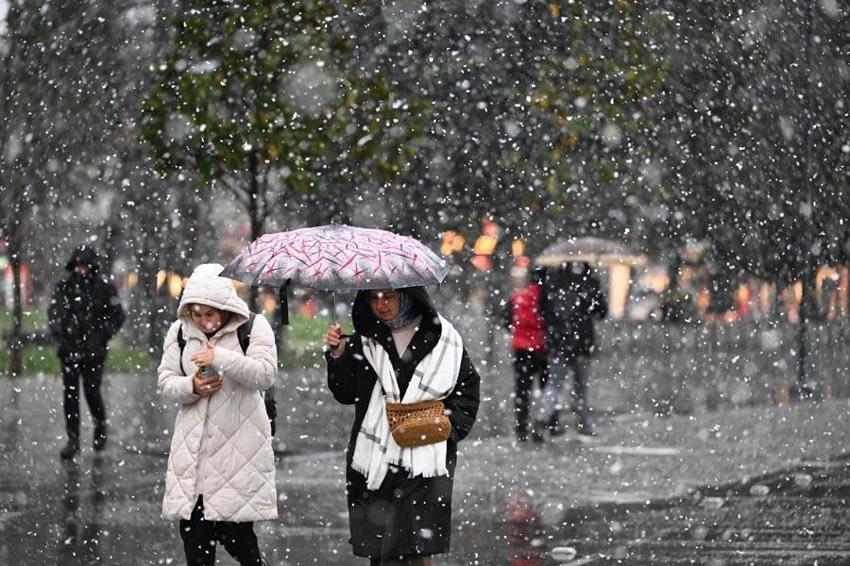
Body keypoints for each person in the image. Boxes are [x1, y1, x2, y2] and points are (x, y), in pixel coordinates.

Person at [324, 287, 480, 565]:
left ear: (408, 295)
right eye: (373, 298)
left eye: (388, 296)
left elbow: (467, 393)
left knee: (413, 549)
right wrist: (338, 355)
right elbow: (346, 393)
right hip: (375, 459)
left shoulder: (445, 339)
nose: (381, 305)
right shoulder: (367, 339)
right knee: (382, 550)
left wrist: (446, 427)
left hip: (425, 457)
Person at [157, 264, 277, 566]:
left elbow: (265, 374)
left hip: (237, 453)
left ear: (225, 306)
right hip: (193, 456)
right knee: (195, 541)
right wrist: (192, 386)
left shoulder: (253, 327)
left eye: (210, 314)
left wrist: (220, 357)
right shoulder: (180, 332)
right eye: (197, 314)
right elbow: (166, 380)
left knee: (239, 540)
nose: (204, 321)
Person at [48, 244, 125, 459]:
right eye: (79, 266)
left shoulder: (104, 288)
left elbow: (118, 315)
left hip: (94, 352)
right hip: (69, 350)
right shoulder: (64, 288)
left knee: (92, 392)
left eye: (85, 266)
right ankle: (73, 440)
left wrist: (102, 335)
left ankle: (100, 426)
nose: (81, 270)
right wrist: (60, 334)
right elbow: (54, 313)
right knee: (70, 395)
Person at [538, 262, 607, 437]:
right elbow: (601, 311)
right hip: (582, 342)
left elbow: (542, 310)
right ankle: (584, 424)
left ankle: (543, 416)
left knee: (554, 384)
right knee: (582, 387)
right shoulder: (590, 282)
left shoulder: (553, 281)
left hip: (558, 341)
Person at [503, 269, 548, 442]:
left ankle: (521, 427)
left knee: (522, 390)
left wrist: (518, 333)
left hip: (521, 349)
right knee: (545, 389)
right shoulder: (546, 298)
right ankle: (542, 425)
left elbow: (506, 319)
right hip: (542, 348)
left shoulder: (518, 296)